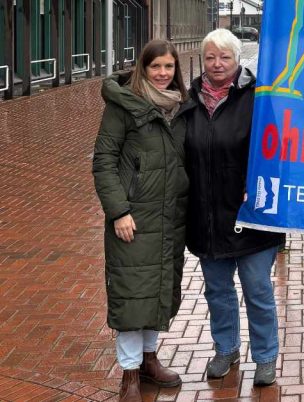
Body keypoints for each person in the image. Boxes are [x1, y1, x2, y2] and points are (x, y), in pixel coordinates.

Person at [184, 29, 286, 387]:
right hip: (207, 215)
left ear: (237, 59)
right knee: (217, 291)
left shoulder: (257, 97)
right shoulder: (189, 100)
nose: (217, 64)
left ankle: (266, 356)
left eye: (224, 57)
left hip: (251, 215)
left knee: (257, 288)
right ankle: (225, 348)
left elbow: (277, 149)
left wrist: (256, 185)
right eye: (210, 57)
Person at [92, 39, 192, 402]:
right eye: (156, 67)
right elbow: (103, 162)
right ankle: (129, 373)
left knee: (158, 292)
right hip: (133, 219)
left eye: (169, 67)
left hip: (168, 219)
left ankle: (150, 360)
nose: (163, 74)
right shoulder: (124, 107)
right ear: (143, 69)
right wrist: (118, 210)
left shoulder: (180, 108)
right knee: (132, 296)